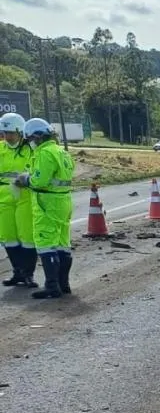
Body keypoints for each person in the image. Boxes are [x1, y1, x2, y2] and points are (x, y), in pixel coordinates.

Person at [14, 118, 74, 299]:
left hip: (46, 202)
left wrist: (26, 180)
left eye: (30, 139)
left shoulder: (44, 153)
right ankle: (64, 284)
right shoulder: (61, 151)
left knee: (45, 243)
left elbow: (40, 180)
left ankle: (52, 286)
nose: (30, 143)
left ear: (37, 137)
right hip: (63, 200)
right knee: (63, 243)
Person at [0, 113, 36, 288]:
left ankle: (28, 274)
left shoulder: (31, 149)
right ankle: (18, 272)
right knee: (8, 237)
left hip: (25, 198)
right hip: (4, 200)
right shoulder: (1, 149)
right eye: (4, 133)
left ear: (20, 132)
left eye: (10, 133)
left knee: (27, 237)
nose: (7, 137)